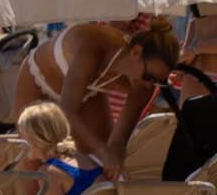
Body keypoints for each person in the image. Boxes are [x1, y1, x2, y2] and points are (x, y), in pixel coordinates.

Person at [14, 22, 178, 179]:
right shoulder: (94, 47)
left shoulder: (144, 86)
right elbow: (66, 111)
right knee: (34, 171)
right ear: (135, 52)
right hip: (38, 81)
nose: (149, 84)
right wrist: (103, 151)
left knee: (98, 171)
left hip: (85, 93)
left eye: (158, 81)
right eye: (148, 76)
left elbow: (117, 143)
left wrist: (115, 165)